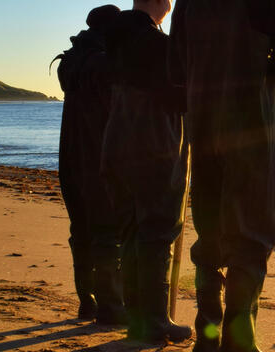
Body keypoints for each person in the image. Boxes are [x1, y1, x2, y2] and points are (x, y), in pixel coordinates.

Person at [169, 1, 275, 351]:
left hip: (204, 122)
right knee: (251, 234)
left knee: (210, 233)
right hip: (250, 125)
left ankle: (207, 335)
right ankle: (239, 341)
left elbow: (175, 67)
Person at [102, 0, 191, 344]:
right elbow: (177, 96)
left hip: (117, 144)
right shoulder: (156, 44)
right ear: (158, 3)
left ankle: (140, 317)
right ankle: (154, 321)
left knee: (131, 232)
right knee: (157, 232)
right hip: (153, 146)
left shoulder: (114, 40)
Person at [55, 4, 126, 325]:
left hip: (71, 158)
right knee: (107, 233)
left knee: (81, 231)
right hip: (99, 157)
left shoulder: (70, 62)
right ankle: (111, 304)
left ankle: (87, 300)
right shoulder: (105, 63)